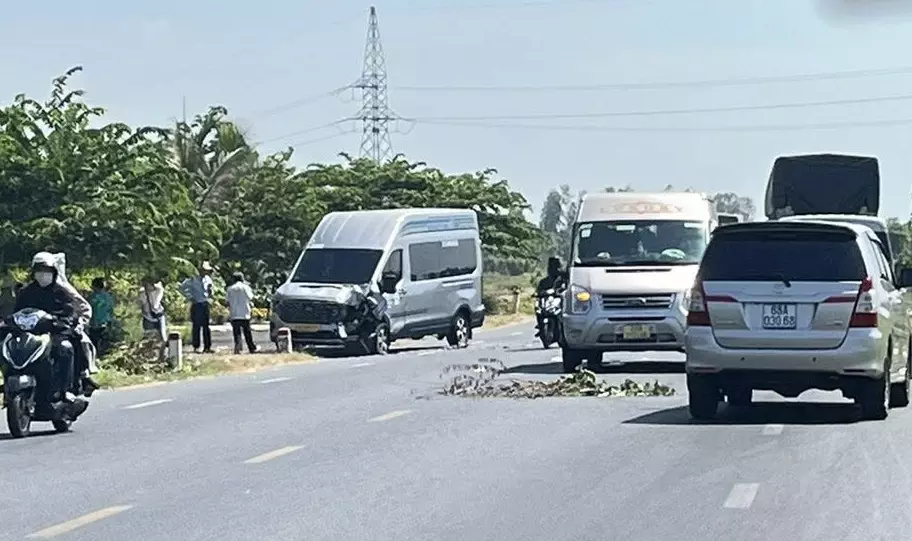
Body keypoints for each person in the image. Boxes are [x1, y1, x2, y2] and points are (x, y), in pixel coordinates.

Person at [14, 253, 80, 403]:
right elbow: (17, 312)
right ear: (33, 272)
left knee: (65, 348)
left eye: (47, 271)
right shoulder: (25, 292)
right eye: (39, 270)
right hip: (29, 335)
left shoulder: (61, 292)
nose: (43, 274)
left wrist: (64, 321)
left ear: (54, 272)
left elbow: (71, 311)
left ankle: (66, 389)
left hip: (54, 333)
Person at [179, 261, 214, 353]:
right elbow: (182, 288)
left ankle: (207, 347)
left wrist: (210, 294)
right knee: (196, 326)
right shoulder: (192, 279)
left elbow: (210, 290)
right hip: (197, 304)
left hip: (205, 303)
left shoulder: (208, 279)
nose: (205, 272)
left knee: (206, 326)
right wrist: (190, 297)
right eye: (204, 270)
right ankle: (196, 346)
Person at [226, 272, 258, 354]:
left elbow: (227, 301)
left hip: (235, 314)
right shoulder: (245, 287)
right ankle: (251, 347)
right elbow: (250, 297)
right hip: (244, 313)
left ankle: (238, 347)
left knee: (237, 333)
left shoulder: (230, 289)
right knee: (247, 332)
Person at [138, 276, 168, 360]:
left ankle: (163, 355)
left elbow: (155, 304)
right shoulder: (142, 293)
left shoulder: (158, 290)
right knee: (149, 337)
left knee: (163, 337)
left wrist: (151, 290)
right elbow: (142, 305)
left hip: (159, 316)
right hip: (148, 317)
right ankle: (150, 356)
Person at [87, 277, 115, 355]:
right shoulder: (109, 297)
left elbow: (89, 310)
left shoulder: (92, 297)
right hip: (106, 323)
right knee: (105, 344)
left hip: (95, 324)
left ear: (94, 286)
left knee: (94, 344)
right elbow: (111, 310)